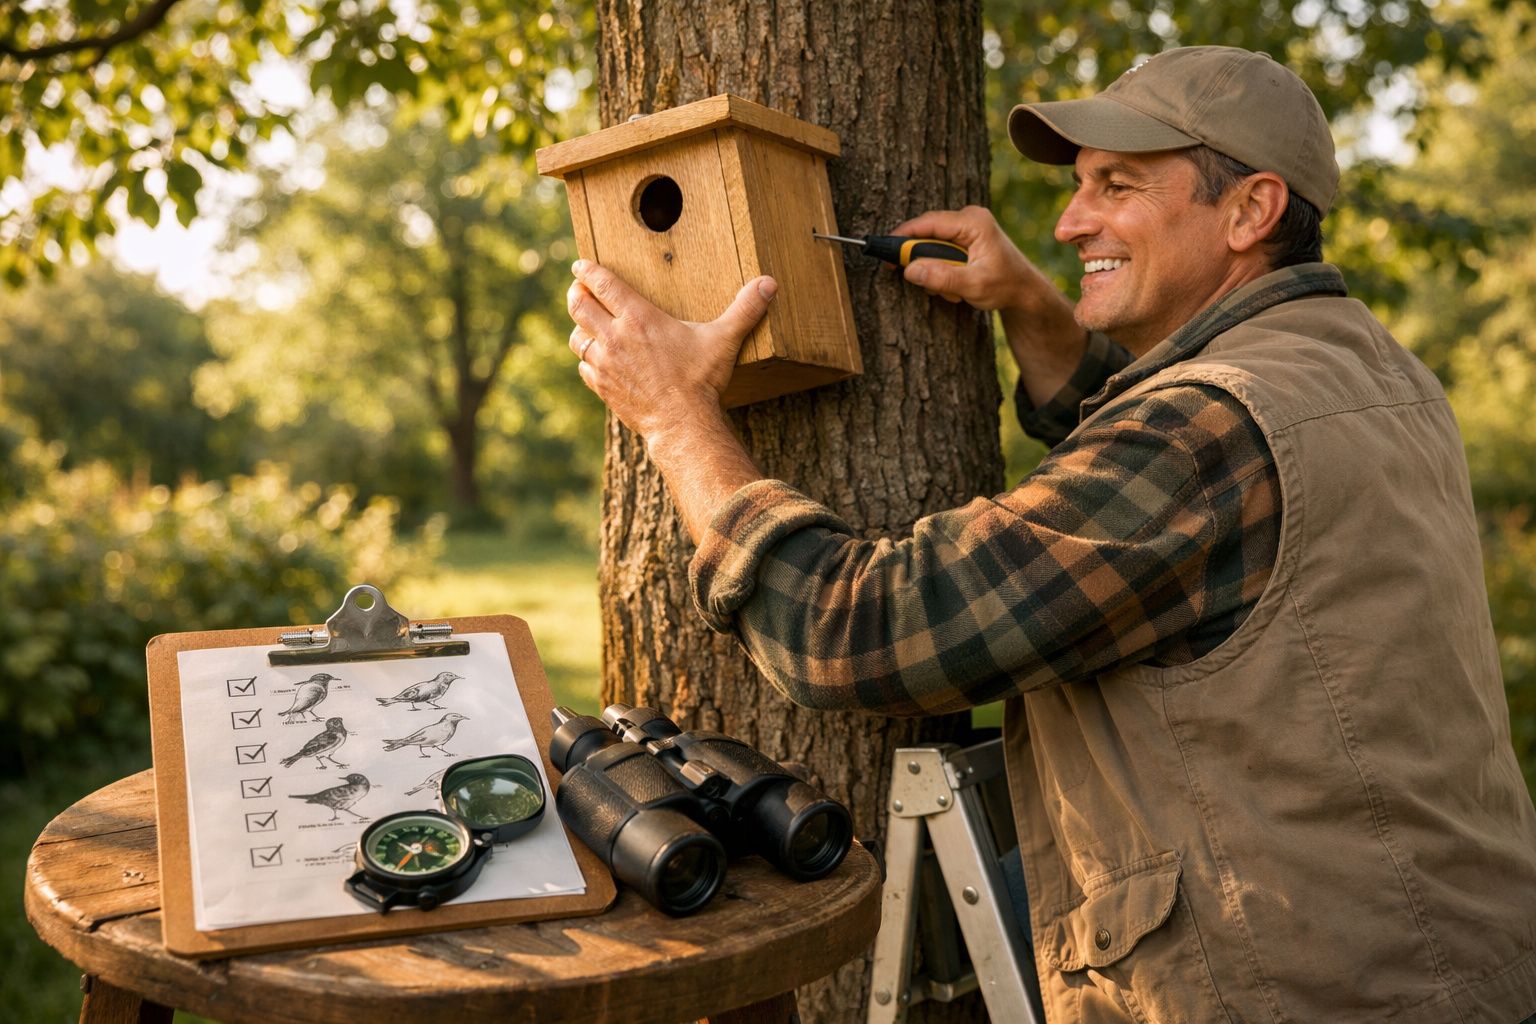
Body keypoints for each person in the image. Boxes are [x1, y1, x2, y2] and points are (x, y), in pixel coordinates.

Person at [564, 45, 1536, 1022]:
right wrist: (1034, 309)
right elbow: (1157, 516)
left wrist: (677, 417)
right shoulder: (1368, 370)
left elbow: (848, 630)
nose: (1072, 222)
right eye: (1077, 188)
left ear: (1251, 211)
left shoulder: (1208, 432)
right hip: (1454, 962)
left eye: (1117, 186)